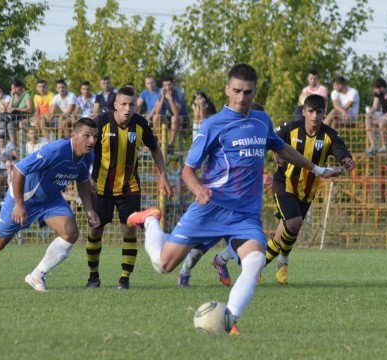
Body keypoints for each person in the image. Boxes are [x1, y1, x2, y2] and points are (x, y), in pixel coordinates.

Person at [132, 64, 342, 334]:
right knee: (164, 265)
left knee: (254, 262)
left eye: (248, 92)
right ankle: (150, 221)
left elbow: (283, 149)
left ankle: (228, 318)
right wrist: (197, 189)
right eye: (237, 91)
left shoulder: (261, 120)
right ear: (227, 90)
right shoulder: (212, 125)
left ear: (254, 92)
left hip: (244, 215)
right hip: (210, 208)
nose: (242, 97)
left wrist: (318, 169)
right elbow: (187, 170)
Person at [179, 94, 356, 286]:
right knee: (204, 240)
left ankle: (228, 263)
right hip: (223, 194)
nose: (314, 116)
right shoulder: (224, 130)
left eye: (318, 112)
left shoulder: (260, 135)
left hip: (256, 196)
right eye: (311, 111)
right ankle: (185, 272)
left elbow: (269, 149)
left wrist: (343, 160)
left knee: (259, 236)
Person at [0, 118, 99, 291]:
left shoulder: (88, 156)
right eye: (87, 136)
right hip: (25, 197)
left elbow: (83, 179)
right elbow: (19, 169)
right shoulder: (55, 150)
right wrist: (19, 205)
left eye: (94, 136)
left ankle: (38, 275)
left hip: (50, 200)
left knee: (70, 233)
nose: (91, 141)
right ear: (73, 136)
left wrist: (89, 209)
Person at [85, 86, 173, 290]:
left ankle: (124, 280)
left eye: (131, 104)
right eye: (123, 104)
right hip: (100, 187)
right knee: (96, 229)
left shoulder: (141, 124)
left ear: (136, 106)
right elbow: (84, 148)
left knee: (129, 231)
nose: (127, 108)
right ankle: (93, 277)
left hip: (129, 188)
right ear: (115, 105)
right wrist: (85, 176)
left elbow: (155, 149)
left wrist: (163, 176)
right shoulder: (101, 123)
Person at [152, 77, 190, 153]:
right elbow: (157, 111)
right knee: (156, 117)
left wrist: (169, 98)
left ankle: (170, 144)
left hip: (183, 119)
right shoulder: (161, 93)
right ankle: (160, 143)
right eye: (165, 85)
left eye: (169, 85)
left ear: (173, 85)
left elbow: (176, 112)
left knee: (175, 118)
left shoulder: (179, 95)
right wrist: (162, 98)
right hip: (170, 118)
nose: (168, 87)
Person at [365, 77, 387, 154]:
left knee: (382, 122)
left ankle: (384, 146)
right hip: (383, 114)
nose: (374, 90)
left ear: (381, 88)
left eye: (375, 88)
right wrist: (369, 114)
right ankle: (373, 145)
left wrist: (381, 117)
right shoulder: (378, 94)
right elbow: (374, 107)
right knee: (367, 120)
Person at [4, 78, 34, 146]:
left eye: (15, 88)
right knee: (10, 124)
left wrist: (16, 109)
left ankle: (23, 147)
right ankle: (13, 146)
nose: (13, 90)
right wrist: (12, 97)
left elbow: (30, 109)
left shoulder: (27, 95)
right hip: (17, 118)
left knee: (22, 125)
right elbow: (9, 109)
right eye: (12, 88)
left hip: (27, 118)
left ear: (20, 87)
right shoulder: (14, 97)